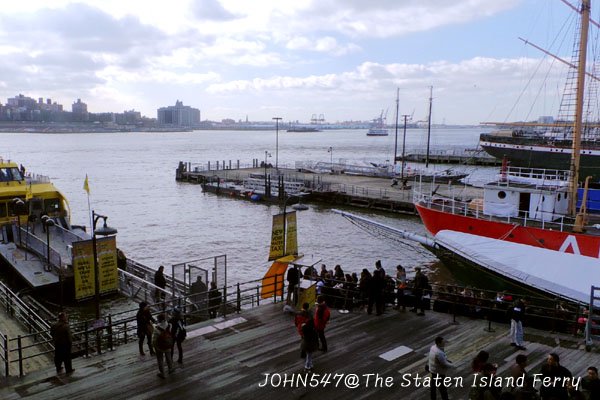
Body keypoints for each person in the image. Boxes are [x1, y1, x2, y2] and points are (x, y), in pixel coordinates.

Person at [428, 336, 454, 400]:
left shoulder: (433, 347)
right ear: (439, 343)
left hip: (432, 370)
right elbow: (444, 363)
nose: (444, 343)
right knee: (442, 388)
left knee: (433, 387)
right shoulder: (439, 353)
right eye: (443, 342)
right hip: (439, 372)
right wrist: (452, 365)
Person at [152, 313, 174, 379]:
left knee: (160, 359)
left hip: (159, 346)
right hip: (168, 343)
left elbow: (154, 339)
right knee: (168, 356)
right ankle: (170, 369)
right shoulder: (169, 325)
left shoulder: (156, 329)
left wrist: (154, 346)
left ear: (158, 320)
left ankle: (162, 373)